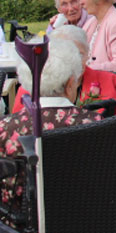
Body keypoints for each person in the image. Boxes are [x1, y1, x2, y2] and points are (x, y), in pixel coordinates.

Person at [0, 38, 103, 225]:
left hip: (20, 225)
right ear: (71, 82)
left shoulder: (5, 128)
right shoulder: (95, 124)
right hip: (86, 222)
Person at [12, 24, 116, 114]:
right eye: (64, 55)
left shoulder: (111, 81)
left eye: (79, 54)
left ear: (88, 54)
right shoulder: (31, 85)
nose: (74, 61)